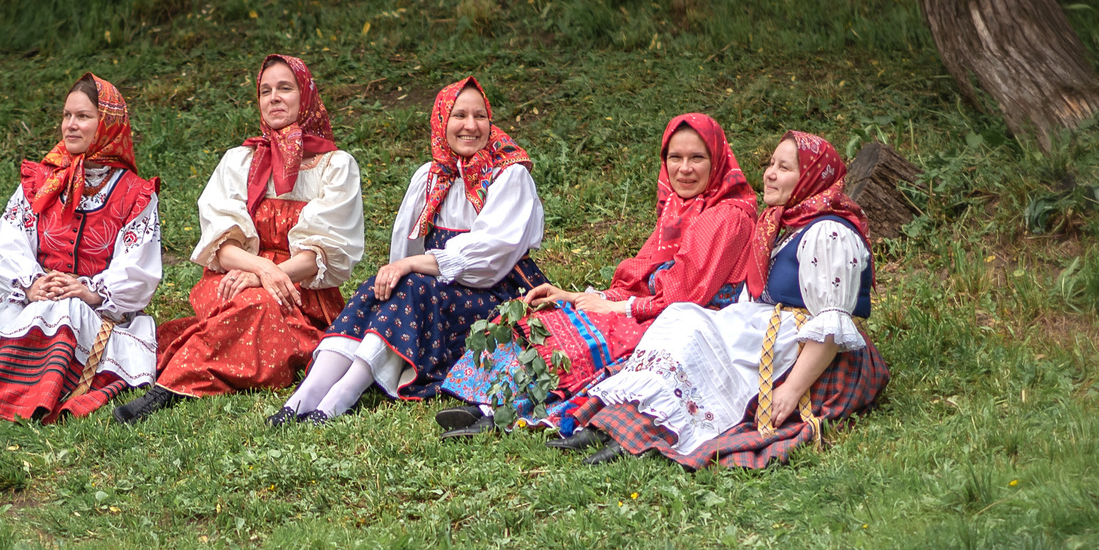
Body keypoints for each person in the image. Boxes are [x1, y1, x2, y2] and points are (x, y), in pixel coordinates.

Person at [564, 131, 887, 468]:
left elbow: (832, 324)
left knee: (697, 346)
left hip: (810, 351)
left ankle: (640, 438)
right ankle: (615, 426)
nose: (770, 174)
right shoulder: (785, 223)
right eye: (771, 164)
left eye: (785, 168)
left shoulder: (828, 233)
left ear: (810, 178)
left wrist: (792, 389)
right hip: (771, 328)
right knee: (682, 322)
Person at [436, 113, 757, 438]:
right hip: (654, 309)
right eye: (675, 157)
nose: (684, 169)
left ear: (717, 161)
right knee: (541, 315)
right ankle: (487, 402)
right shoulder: (679, 207)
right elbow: (642, 281)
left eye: (697, 158)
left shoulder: (727, 217)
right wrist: (581, 298)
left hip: (688, 321)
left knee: (574, 338)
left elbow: (683, 296)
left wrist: (613, 308)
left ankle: (505, 412)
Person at [273, 77, 546, 424]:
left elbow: (491, 253)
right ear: (441, 123)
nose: (471, 125)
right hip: (435, 288)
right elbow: (406, 246)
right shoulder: (429, 177)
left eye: (480, 116)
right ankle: (303, 397)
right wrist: (397, 273)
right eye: (459, 115)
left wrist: (410, 267)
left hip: (500, 291)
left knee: (413, 284)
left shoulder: (509, 176)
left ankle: (338, 399)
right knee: (380, 287)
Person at [0, 75, 163, 429]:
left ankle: (19, 403)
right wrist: (31, 284)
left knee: (66, 309)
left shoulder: (135, 194)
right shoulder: (42, 181)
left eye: (83, 116)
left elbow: (138, 267)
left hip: (100, 312)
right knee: (46, 309)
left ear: (107, 125)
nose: (70, 124)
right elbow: (7, 242)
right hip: (37, 299)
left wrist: (89, 291)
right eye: (67, 115)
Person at [116, 55, 364, 423]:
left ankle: (170, 386)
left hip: (301, 292)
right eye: (266, 91)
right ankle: (200, 365)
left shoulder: (335, 165)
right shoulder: (239, 160)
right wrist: (261, 268)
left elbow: (321, 254)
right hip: (235, 276)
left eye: (285, 88)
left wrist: (268, 276)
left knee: (260, 305)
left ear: (306, 95)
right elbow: (222, 243)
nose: (274, 98)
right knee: (249, 301)